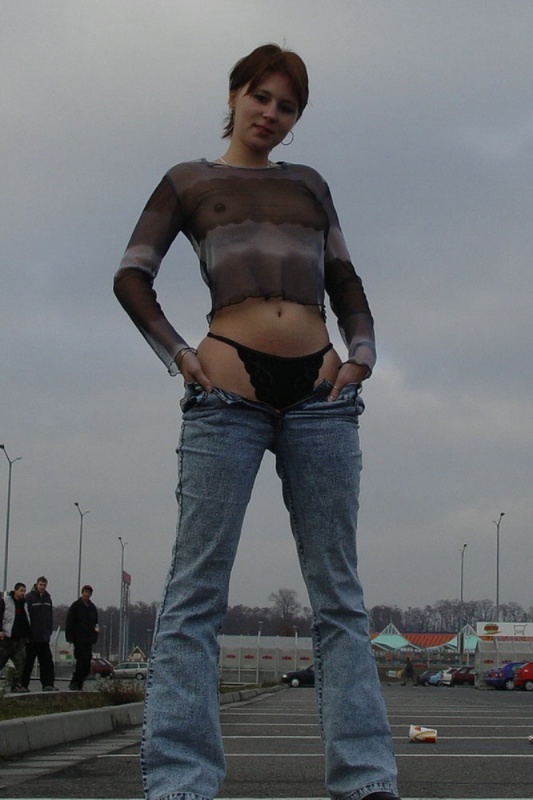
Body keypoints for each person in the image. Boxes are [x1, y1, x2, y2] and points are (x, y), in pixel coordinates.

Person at [114, 43, 399, 800]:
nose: (271, 113)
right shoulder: (189, 181)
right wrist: (178, 352)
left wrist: (362, 356)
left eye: (287, 106)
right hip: (225, 396)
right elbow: (131, 273)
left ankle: (366, 780)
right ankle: (180, 782)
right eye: (261, 97)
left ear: (296, 118)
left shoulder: (309, 185)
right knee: (195, 595)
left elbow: (346, 281)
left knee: (338, 597)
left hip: (321, 399)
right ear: (235, 94)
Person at [21, 576, 58, 691]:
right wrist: (27, 633)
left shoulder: (48, 599)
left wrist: (49, 631)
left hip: (43, 638)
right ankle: (23, 685)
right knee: (27, 663)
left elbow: (50, 617)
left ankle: (48, 684)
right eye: (41, 584)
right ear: (36, 584)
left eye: (44, 585)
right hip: (31, 638)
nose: (42, 587)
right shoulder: (29, 598)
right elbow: (25, 617)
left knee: (47, 662)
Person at [66, 584, 99, 690]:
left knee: (87, 663)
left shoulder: (92, 608)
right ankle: (75, 682)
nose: (87, 594)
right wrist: (70, 637)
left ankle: (79, 682)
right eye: (85, 592)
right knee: (81, 660)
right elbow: (70, 622)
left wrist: (95, 635)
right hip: (78, 638)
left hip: (89, 639)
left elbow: (96, 624)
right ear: (82, 592)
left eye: (89, 592)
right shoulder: (76, 606)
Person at [0, 582, 31, 693]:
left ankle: (16, 685)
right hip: (7, 638)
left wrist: (27, 634)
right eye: (21, 591)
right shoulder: (5, 601)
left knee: (20, 662)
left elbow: (26, 620)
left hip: (20, 639)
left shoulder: (24, 604)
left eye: (24, 591)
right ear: (15, 590)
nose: (23, 593)